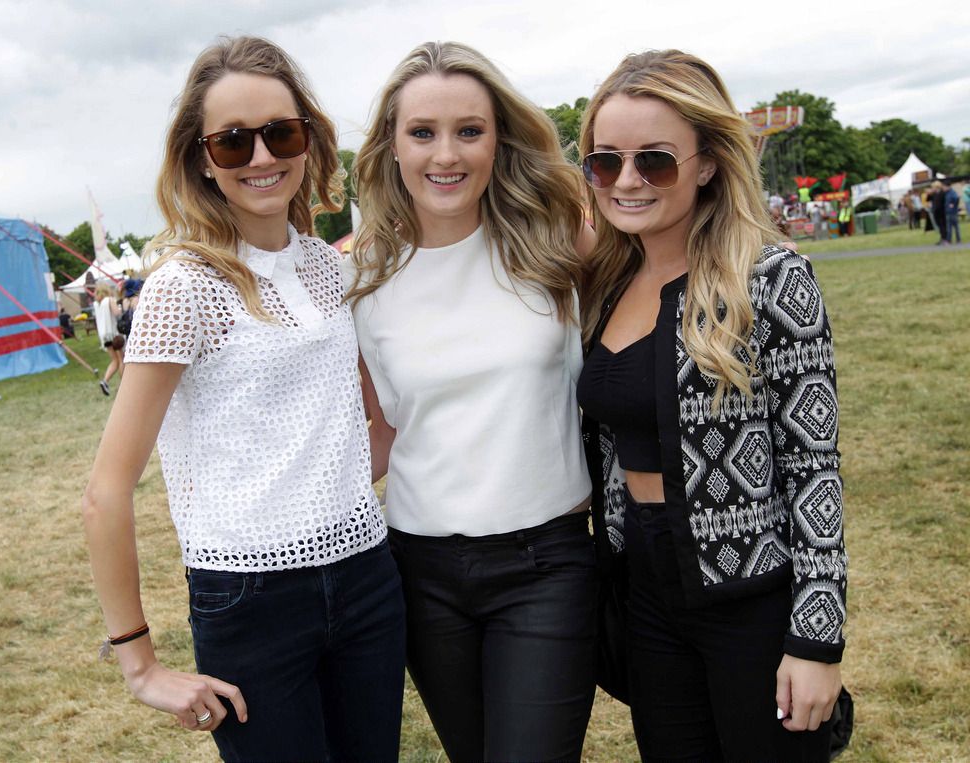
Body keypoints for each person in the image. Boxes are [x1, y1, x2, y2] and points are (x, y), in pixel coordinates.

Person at [81, 36, 405, 762]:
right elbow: (106, 489)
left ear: (308, 140)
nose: (261, 158)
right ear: (201, 158)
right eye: (233, 142)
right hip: (250, 599)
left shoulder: (331, 268)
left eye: (280, 133)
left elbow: (367, 429)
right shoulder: (182, 285)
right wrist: (139, 664)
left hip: (366, 580)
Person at [576, 50, 847, 761]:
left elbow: (814, 467)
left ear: (705, 162)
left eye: (655, 161)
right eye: (606, 162)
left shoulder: (772, 276)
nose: (628, 180)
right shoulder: (607, 281)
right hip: (646, 591)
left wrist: (816, 637)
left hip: (749, 594)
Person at [345, 41, 597, 762]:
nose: (445, 154)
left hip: (546, 563)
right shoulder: (360, 275)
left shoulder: (555, 242)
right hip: (422, 574)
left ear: (499, 139)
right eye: (422, 132)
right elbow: (382, 430)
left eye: (469, 130)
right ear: (392, 146)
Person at [93, 283, 123, 395]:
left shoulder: (97, 304)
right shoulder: (110, 300)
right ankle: (123, 384)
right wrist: (119, 307)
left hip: (104, 335)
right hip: (113, 333)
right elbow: (117, 313)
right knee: (121, 360)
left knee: (114, 360)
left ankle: (105, 381)